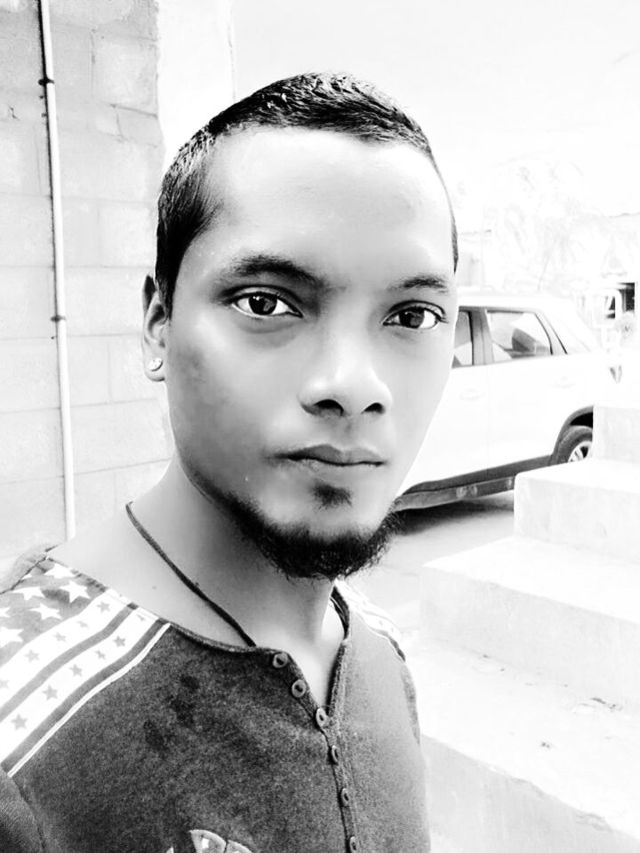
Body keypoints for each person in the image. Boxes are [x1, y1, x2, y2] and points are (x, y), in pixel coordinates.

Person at [0, 72, 458, 853]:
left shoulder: (380, 655)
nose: (354, 384)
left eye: (411, 314)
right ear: (158, 323)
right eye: (267, 302)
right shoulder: (22, 740)